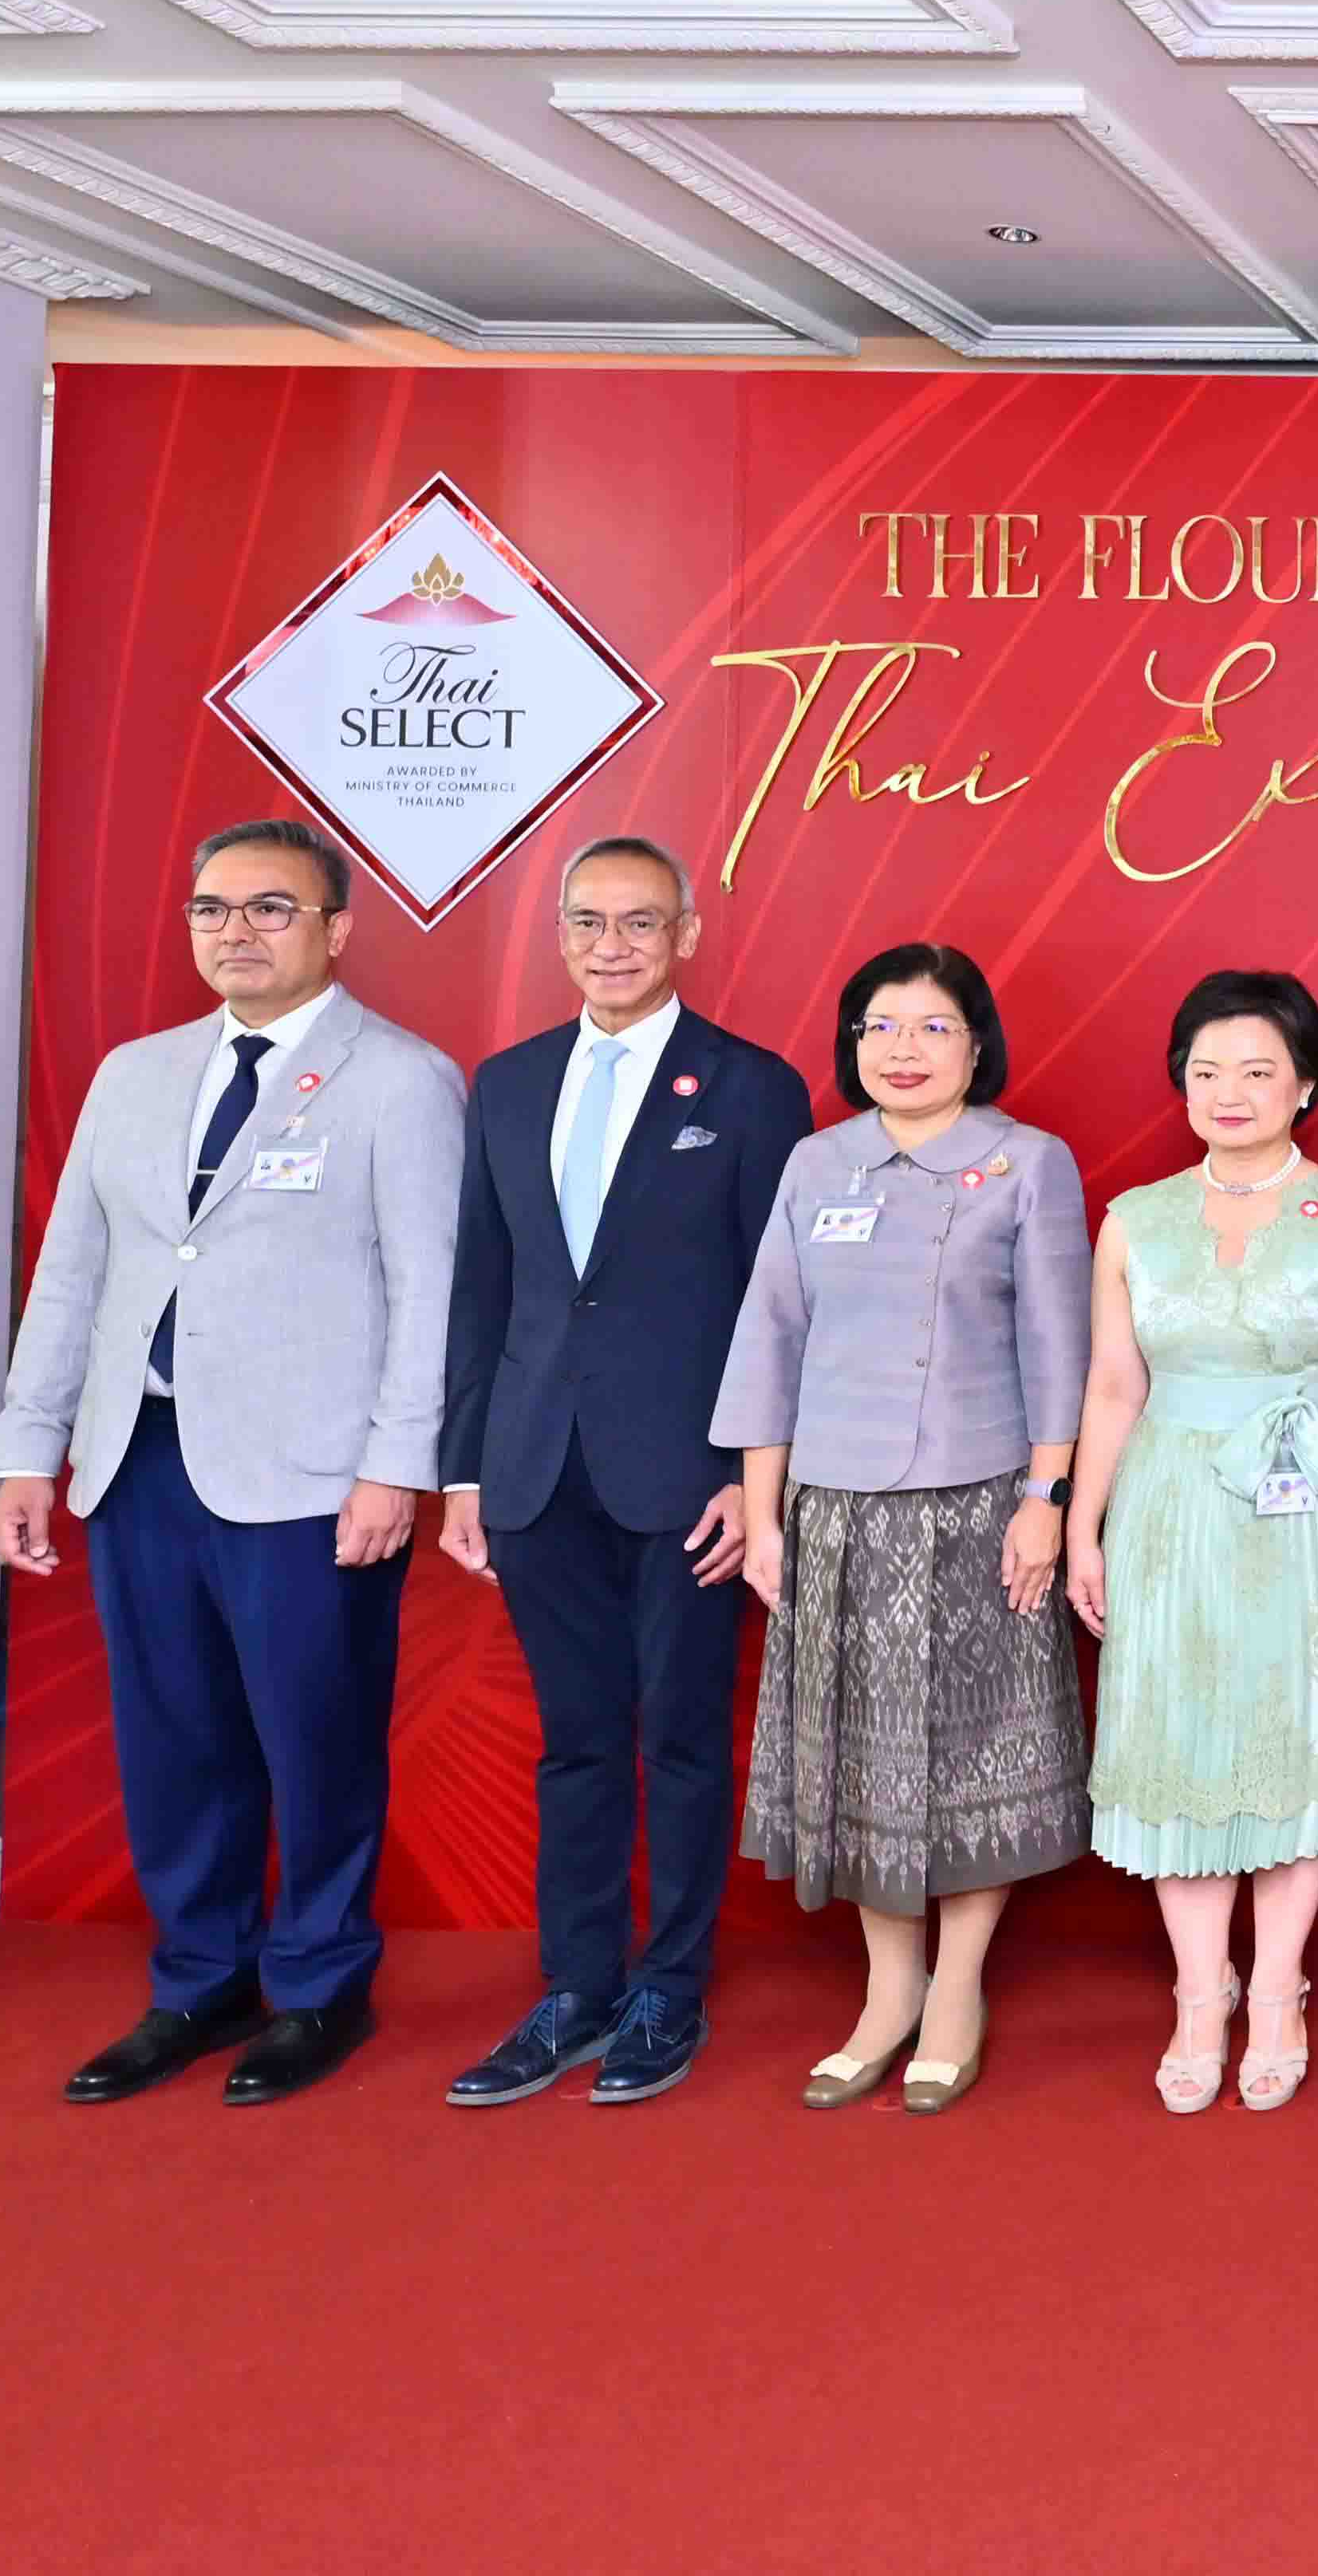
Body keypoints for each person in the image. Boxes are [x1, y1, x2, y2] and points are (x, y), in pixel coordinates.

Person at [0, 819, 463, 2107]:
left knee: (315, 1739)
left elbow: (431, 1289)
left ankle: (319, 1988)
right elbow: (73, 1274)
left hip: (310, 1478)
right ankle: (201, 1981)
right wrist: (26, 1449)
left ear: (336, 928)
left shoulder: (402, 1080)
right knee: (175, 1740)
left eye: (269, 908)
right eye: (212, 909)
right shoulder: (135, 1075)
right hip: (138, 1457)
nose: (235, 932)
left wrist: (395, 1466)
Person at [432, 836, 815, 2109]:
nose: (613, 946)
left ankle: (670, 1987)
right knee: (577, 1741)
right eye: (589, 922)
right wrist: (464, 1472)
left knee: (684, 1737)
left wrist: (751, 1476)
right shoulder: (507, 1085)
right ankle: (578, 1984)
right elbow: (483, 1288)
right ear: (560, 936)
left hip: (688, 1477)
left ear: (686, 935)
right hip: (536, 1466)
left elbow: (779, 1302)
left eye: (641, 923)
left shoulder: (752, 1088)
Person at [716, 941, 1091, 2117]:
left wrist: (1045, 1502)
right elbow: (770, 1340)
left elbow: (1062, 1349)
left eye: (933, 1027)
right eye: (880, 1027)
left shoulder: (1028, 1162)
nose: (904, 1050)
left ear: (977, 1046)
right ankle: (890, 1990)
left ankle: (958, 1988)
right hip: (835, 1510)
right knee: (863, 1757)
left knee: (980, 1752)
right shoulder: (817, 1162)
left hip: (981, 1502)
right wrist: (764, 1515)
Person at [1068, 970, 1318, 2114]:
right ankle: (1197, 1995)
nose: (1231, 1091)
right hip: (1168, 1510)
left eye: (1259, 1071)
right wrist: (1084, 1527)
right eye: (1207, 1070)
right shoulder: (1136, 1219)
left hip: (1311, 1512)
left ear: (1305, 1085)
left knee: (1297, 1734)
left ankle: (1275, 1993)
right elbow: (1113, 1385)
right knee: (1178, 1740)